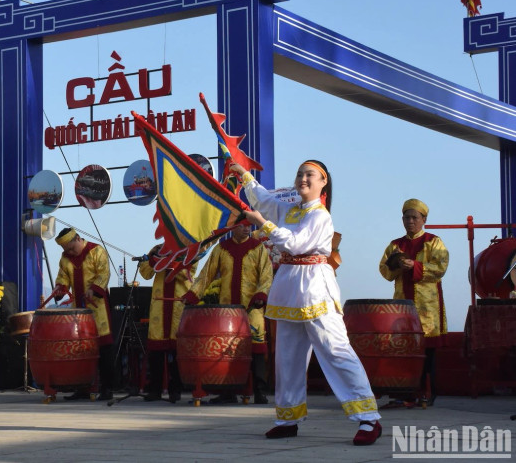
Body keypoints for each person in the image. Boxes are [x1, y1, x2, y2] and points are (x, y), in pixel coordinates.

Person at [232, 160, 382, 446]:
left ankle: (368, 418)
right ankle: (288, 419)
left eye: (309, 174)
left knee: (336, 352)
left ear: (323, 182)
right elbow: (263, 200)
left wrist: (262, 224)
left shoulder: (320, 216)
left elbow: (295, 243)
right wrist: (245, 176)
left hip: (315, 288)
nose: (303, 178)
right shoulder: (290, 210)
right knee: (287, 358)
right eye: (300, 174)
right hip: (289, 286)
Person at [184, 221, 273, 404]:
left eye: (249, 226)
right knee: (226, 351)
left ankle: (259, 391)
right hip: (227, 312)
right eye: (242, 226)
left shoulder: (258, 248)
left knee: (256, 348)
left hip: (252, 308)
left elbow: (266, 275)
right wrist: (193, 295)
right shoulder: (221, 248)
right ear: (233, 228)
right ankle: (227, 392)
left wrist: (261, 294)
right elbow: (206, 274)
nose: (247, 229)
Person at [379, 198, 449, 406]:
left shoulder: (434, 242)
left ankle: (428, 392)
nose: (410, 221)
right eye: (406, 217)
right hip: (403, 305)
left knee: (428, 352)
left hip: (428, 306)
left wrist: (416, 266)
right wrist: (397, 265)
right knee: (404, 351)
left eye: (414, 217)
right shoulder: (395, 245)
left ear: (424, 219)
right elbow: (385, 271)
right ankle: (405, 393)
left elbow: (440, 268)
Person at [54, 228, 113, 401]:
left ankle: (107, 388)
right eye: (67, 250)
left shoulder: (96, 251)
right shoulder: (65, 258)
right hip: (78, 310)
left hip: (98, 308)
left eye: (72, 248)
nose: (70, 253)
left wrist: (93, 289)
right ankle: (82, 388)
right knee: (80, 350)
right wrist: (60, 289)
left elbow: (104, 274)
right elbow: (63, 278)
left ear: (78, 239)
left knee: (104, 348)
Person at [139, 244, 195, 403]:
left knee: (177, 351)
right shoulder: (158, 248)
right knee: (156, 350)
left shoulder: (190, 249)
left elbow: (188, 275)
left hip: (178, 303)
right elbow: (146, 274)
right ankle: (155, 390)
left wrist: (170, 261)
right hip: (159, 304)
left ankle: (175, 389)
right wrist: (152, 258)